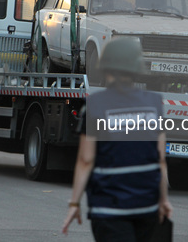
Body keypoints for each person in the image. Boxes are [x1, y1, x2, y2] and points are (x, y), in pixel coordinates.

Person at [62, 37, 173, 241]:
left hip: (109, 209)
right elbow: (160, 158)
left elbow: (85, 160)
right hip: (147, 206)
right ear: (136, 68)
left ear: (106, 67)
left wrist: (74, 204)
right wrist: (163, 200)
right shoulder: (154, 104)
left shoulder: (96, 105)